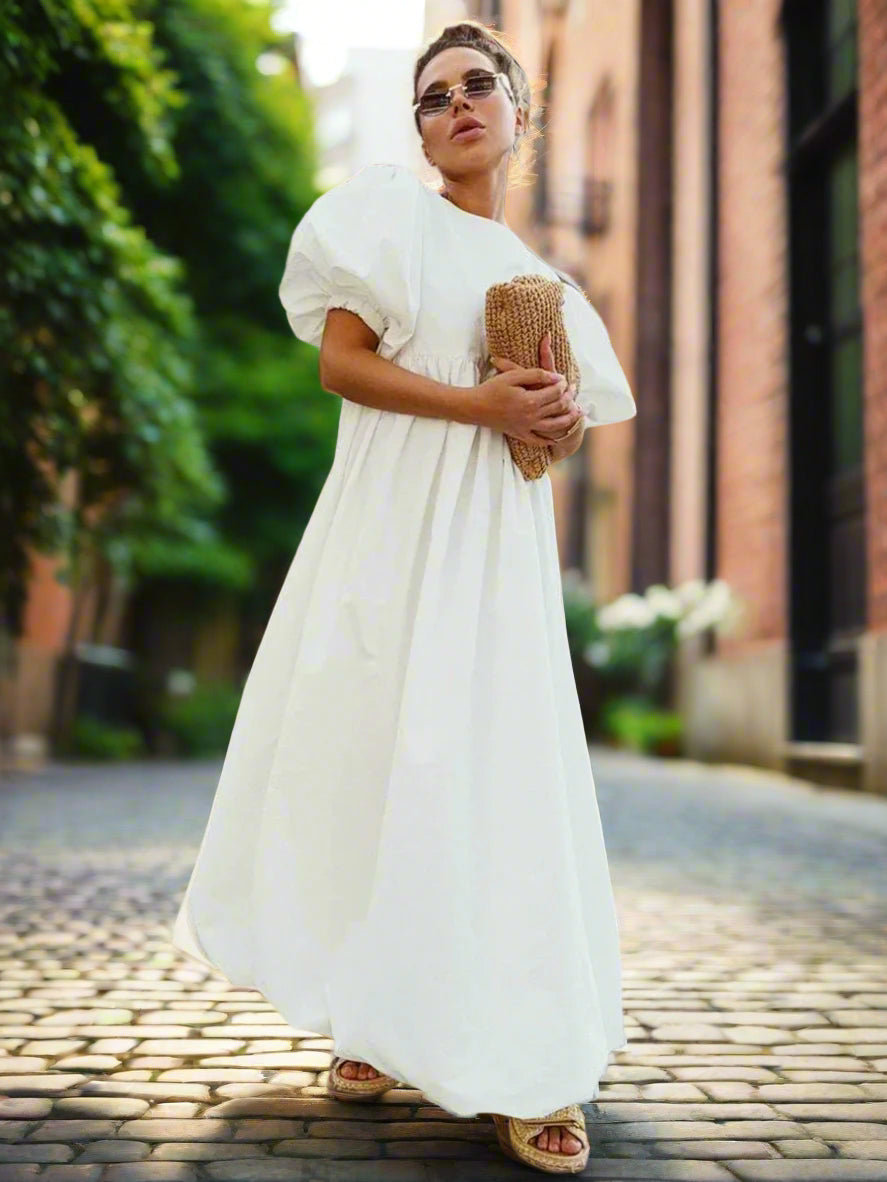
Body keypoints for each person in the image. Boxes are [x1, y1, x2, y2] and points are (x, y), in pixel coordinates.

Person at [170, 18, 636, 1176]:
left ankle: (533, 1062)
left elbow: (551, 435)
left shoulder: (550, 287)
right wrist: (481, 405)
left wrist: (549, 419)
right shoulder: (384, 217)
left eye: (480, 86)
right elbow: (339, 364)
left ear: (518, 114)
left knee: (500, 776)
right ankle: (377, 1020)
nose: (457, 105)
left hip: (494, 556)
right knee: (376, 764)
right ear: (419, 127)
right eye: (433, 96)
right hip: (383, 535)